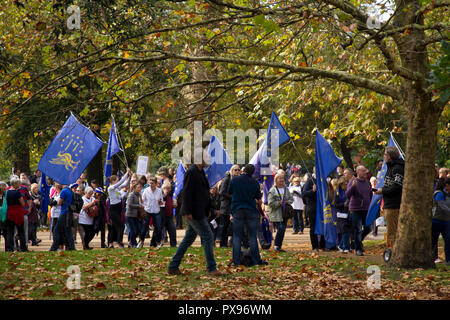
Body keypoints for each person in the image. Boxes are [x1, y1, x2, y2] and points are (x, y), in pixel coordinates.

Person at [168, 147, 220, 276]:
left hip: (199, 211)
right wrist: (188, 212)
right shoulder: (191, 172)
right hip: (193, 213)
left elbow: (203, 194)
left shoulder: (200, 171)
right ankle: (211, 268)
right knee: (208, 236)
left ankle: (173, 266)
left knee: (188, 239)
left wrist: (209, 209)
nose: (208, 158)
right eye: (206, 156)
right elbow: (187, 193)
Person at [228, 164, 267, 266]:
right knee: (253, 236)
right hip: (250, 209)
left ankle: (236, 261)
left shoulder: (235, 180)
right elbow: (258, 197)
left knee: (237, 236)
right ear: (252, 172)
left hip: (237, 209)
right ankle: (255, 261)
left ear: (243, 170)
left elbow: (229, 191)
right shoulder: (254, 182)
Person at [374, 146, 404, 251]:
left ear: (390, 157)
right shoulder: (391, 167)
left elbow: (397, 187)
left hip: (393, 205)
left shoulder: (397, 168)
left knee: (392, 232)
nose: (384, 157)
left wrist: (383, 191)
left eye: (385, 155)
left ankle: (392, 253)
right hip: (388, 204)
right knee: (391, 231)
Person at [346, 165, 372, 256]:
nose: (365, 173)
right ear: (358, 172)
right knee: (358, 229)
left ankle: (357, 241)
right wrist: (352, 187)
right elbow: (347, 195)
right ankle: (358, 249)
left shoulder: (368, 183)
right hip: (355, 209)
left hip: (366, 208)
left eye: (365, 171)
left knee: (368, 228)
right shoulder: (353, 182)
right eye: (363, 171)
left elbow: (370, 195)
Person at [268, 173, 294, 252]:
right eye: (279, 178)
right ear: (276, 180)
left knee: (283, 230)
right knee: (281, 228)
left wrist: (286, 202)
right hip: (276, 214)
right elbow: (270, 203)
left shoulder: (286, 189)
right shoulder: (272, 190)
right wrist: (279, 203)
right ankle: (276, 245)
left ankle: (279, 246)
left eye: (282, 178)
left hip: (285, 213)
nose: (281, 180)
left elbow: (291, 199)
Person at [107, 168, 131, 248]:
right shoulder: (110, 188)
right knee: (121, 226)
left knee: (114, 227)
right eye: (117, 180)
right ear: (113, 181)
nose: (118, 181)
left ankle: (110, 243)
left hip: (117, 210)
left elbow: (123, 188)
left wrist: (129, 178)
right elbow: (121, 182)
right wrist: (126, 173)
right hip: (113, 210)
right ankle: (119, 242)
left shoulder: (116, 189)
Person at [218, 165, 240, 247]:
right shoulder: (227, 179)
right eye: (235, 170)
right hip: (226, 206)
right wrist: (232, 197)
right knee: (224, 226)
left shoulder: (237, 180)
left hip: (234, 206)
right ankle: (222, 243)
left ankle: (229, 242)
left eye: (238, 170)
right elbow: (221, 192)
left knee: (231, 226)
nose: (237, 171)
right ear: (232, 170)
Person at [49, 184, 75, 251]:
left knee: (56, 230)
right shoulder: (69, 190)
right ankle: (71, 246)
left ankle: (54, 247)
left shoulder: (64, 191)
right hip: (68, 212)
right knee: (68, 230)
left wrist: (57, 200)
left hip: (64, 212)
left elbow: (59, 203)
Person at [5, 178, 28, 252]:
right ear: (15, 184)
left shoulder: (7, 192)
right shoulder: (17, 193)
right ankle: (23, 248)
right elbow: (22, 203)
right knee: (21, 231)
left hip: (9, 212)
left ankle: (10, 248)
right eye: (18, 183)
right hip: (17, 212)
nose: (19, 185)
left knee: (10, 232)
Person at [140, 177, 164, 248]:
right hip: (148, 210)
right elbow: (142, 201)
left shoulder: (159, 191)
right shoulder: (146, 190)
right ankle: (141, 241)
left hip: (156, 210)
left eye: (152, 183)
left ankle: (156, 242)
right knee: (145, 227)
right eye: (150, 183)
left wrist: (160, 202)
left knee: (158, 227)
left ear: (156, 184)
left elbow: (161, 202)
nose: (151, 185)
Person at [431, 178, 450, 265]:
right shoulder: (439, 193)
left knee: (448, 239)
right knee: (433, 241)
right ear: (446, 185)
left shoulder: (448, 194)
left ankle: (448, 259)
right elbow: (441, 205)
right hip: (436, 220)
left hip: (446, 221)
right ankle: (433, 258)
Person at [335, 177, 351, 253]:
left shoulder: (348, 191)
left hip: (348, 213)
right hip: (340, 214)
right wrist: (343, 204)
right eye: (345, 184)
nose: (347, 185)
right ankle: (345, 246)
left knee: (348, 230)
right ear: (341, 184)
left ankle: (342, 245)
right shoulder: (337, 193)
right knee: (345, 230)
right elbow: (335, 205)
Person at [126, 182, 143, 248]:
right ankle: (133, 243)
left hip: (135, 215)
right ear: (134, 188)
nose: (140, 189)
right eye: (138, 187)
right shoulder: (131, 195)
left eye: (140, 187)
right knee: (133, 230)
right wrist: (139, 206)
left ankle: (131, 242)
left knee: (138, 229)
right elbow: (129, 205)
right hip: (130, 215)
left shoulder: (138, 194)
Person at [161, 182, 177, 247]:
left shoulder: (170, 196)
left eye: (169, 188)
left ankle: (173, 244)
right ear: (163, 188)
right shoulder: (161, 195)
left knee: (172, 230)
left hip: (169, 216)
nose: (168, 190)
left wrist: (174, 205)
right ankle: (157, 243)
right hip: (162, 216)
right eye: (166, 188)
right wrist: (164, 194)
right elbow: (161, 202)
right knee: (160, 231)